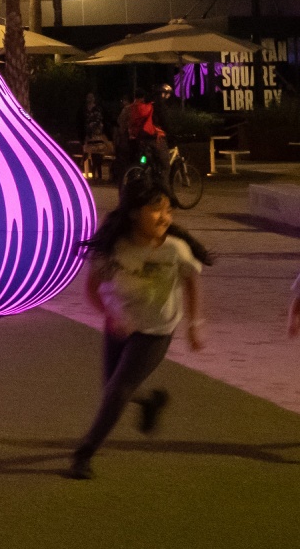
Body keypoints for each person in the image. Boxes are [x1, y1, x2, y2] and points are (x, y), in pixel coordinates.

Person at [67, 168, 205, 479]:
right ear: (133, 214)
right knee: (112, 388)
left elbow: (192, 282)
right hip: (120, 326)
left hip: (156, 331)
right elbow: (91, 290)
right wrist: (111, 314)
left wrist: (195, 323)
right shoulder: (113, 250)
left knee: (118, 390)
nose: (165, 217)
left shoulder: (175, 250)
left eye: (168, 210)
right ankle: (150, 402)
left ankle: (84, 453)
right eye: (156, 209)